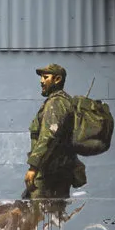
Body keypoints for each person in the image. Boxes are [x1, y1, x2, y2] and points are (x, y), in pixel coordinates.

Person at [23, 63, 86, 200]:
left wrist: (33, 167)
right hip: (55, 171)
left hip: (50, 173)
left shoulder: (56, 103)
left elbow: (48, 136)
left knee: (41, 215)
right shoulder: (61, 102)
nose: (41, 81)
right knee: (45, 215)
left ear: (57, 79)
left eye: (45, 77)